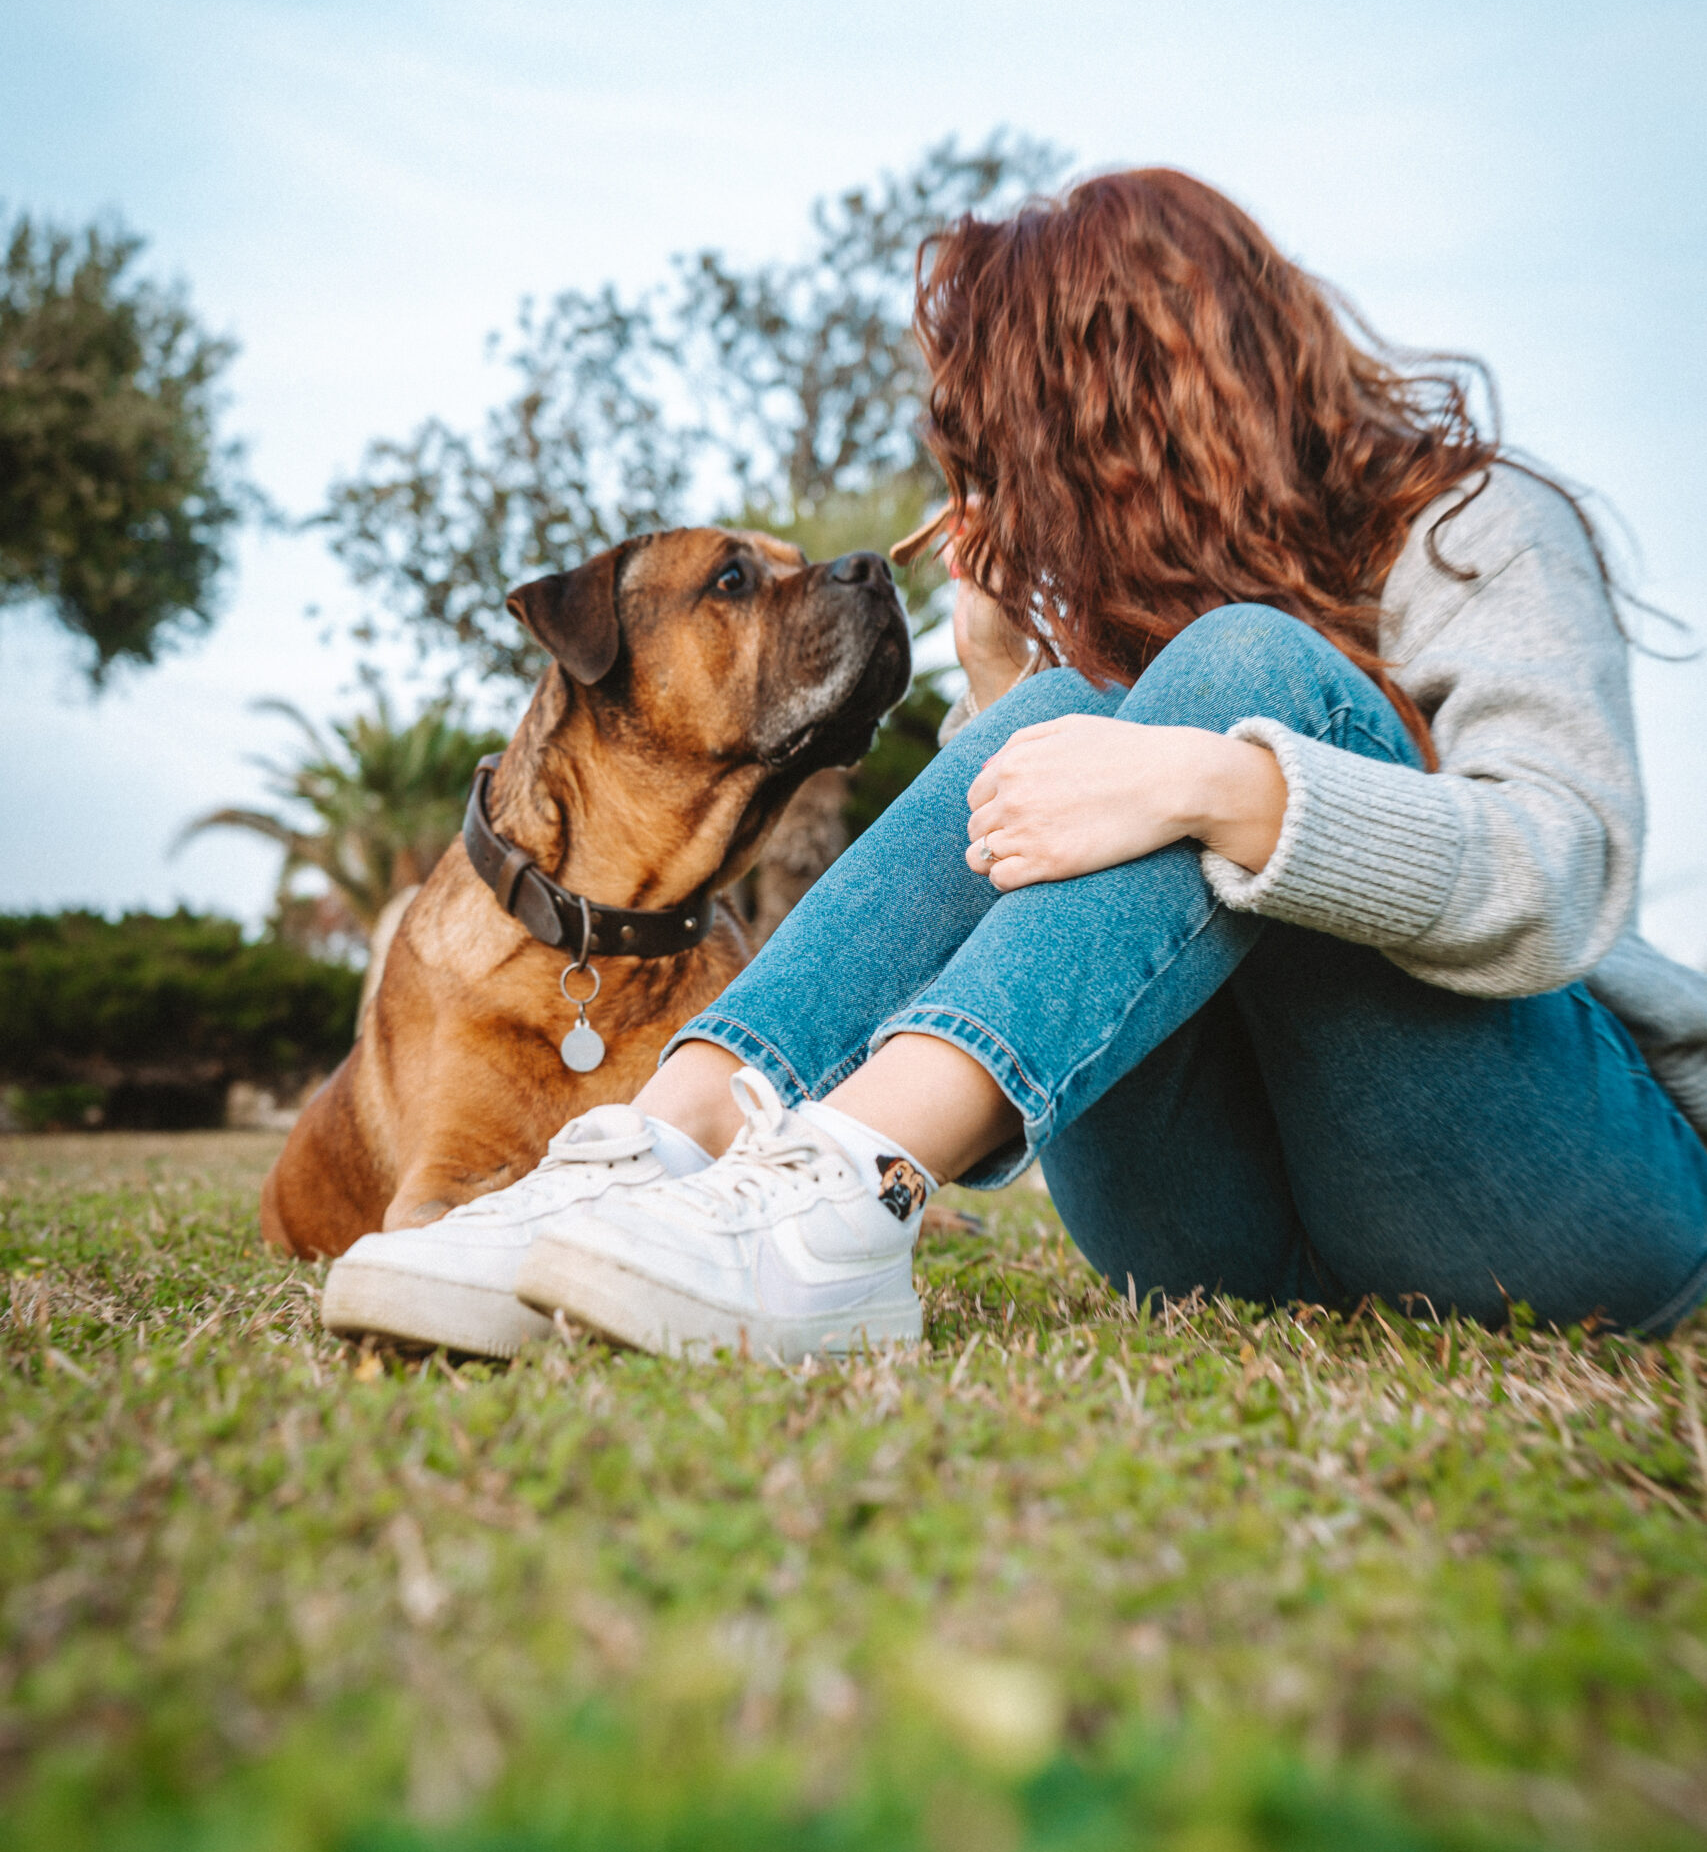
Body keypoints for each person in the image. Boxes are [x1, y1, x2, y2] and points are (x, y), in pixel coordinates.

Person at [325, 169, 1707, 1359]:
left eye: (1030, 442)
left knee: (1245, 672)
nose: (1014, 490)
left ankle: (839, 1199)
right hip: (1235, 1254)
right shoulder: (1124, 635)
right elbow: (1080, 948)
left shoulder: (1471, 526)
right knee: (1066, 711)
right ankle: (650, 1152)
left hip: (1563, 1217)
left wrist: (1220, 785)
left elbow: (1560, 869)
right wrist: (1001, 685)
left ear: (1147, 404)